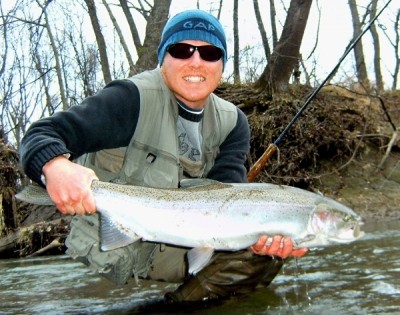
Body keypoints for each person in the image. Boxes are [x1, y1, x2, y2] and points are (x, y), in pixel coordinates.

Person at [20, 9, 307, 303]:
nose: (196, 62)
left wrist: (261, 238)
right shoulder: (129, 99)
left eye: (209, 53)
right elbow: (41, 134)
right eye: (182, 50)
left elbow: (228, 195)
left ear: (221, 64)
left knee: (260, 258)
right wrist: (54, 167)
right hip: (113, 244)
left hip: (181, 242)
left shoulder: (233, 123)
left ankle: (174, 306)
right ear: (163, 58)